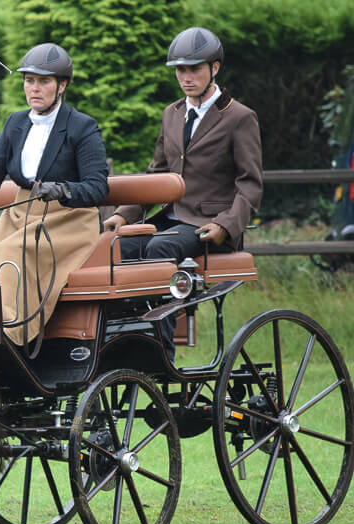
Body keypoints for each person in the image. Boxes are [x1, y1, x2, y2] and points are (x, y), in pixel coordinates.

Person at [102, 27, 262, 361]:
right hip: (171, 220)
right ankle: (123, 341)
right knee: (117, 247)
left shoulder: (239, 117)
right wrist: (123, 214)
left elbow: (250, 183)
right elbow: (156, 175)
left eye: (194, 69)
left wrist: (226, 225)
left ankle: (159, 353)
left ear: (214, 68)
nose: (186, 77)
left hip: (208, 224)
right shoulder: (171, 114)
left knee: (160, 247)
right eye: (180, 70)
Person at [0, 42, 109, 346]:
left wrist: (63, 189)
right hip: (21, 213)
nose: (34, 88)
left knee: (12, 254)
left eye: (43, 81)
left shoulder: (82, 127)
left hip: (69, 220)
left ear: (62, 85)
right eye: (29, 80)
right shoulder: (16, 123)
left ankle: (10, 333)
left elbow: (98, 187)